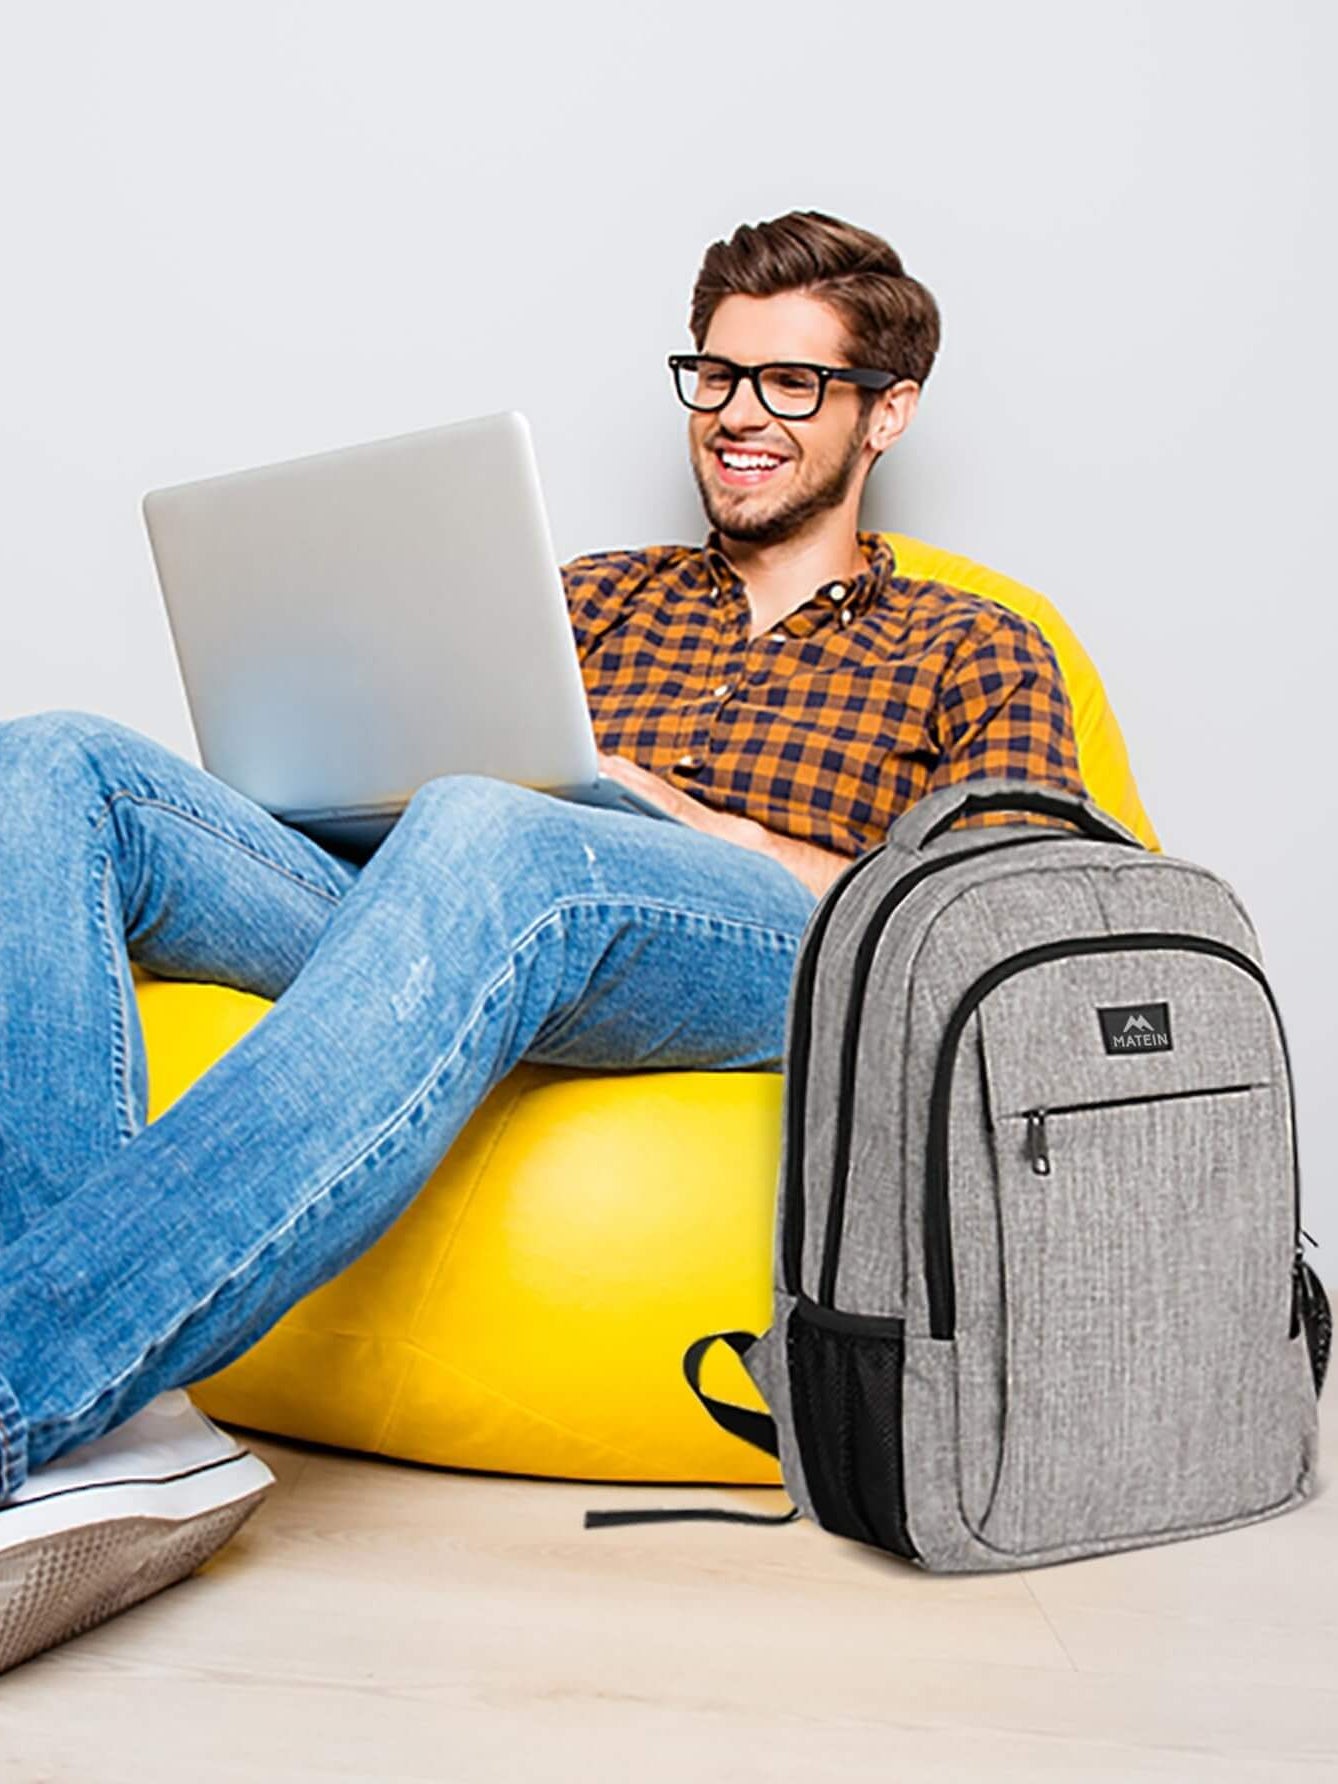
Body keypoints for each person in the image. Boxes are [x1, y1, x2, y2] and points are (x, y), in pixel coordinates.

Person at [0, 209, 1085, 1672]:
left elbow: (1011, 912)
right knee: (53, 757)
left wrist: (696, 824)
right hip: (465, 894)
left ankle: (23, 1386)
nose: (737, 418)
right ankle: (110, 1419)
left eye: (789, 384)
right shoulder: (583, 597)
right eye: (713, 376)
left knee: (495, 828)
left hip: (766, 946)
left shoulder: (967, 643)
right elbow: (422, 790)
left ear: (885, 412)